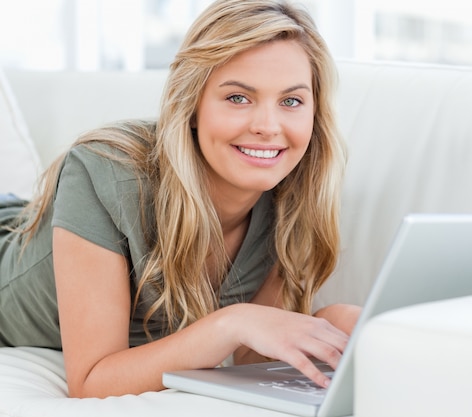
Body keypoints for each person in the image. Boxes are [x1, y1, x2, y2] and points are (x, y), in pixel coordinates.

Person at [0, 0, 360, 398]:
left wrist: (330, 325)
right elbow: (91, 382)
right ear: (192, 106)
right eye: (238, 97)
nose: (267, 127)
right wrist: (231, 322)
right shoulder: (107, 171)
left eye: (291, 101)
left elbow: (248, 358)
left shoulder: (291, 196)